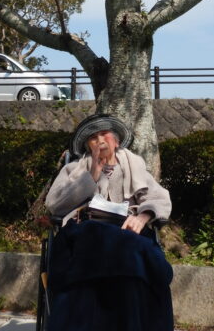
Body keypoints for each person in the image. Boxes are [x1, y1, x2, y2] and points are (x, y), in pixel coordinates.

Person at [44, 114, 174, 331]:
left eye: (104, 134)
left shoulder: (135, 166)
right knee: (100, 237)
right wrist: (92, 175)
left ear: (116, 141)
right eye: (93, 138)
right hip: (86, 228)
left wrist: (142, 217)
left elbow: (159, 198)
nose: (100, 140)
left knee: (135, 248)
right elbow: (54, 204)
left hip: (128, 229)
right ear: (87, 146)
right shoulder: (74, 168)